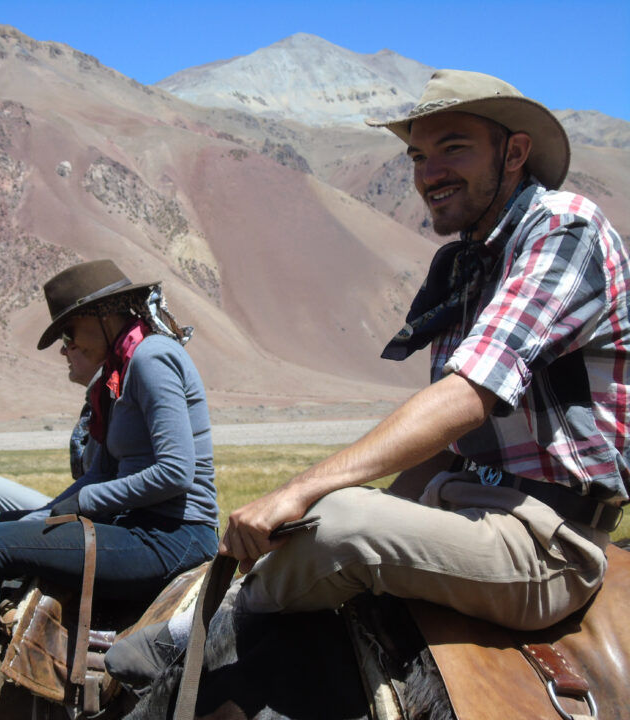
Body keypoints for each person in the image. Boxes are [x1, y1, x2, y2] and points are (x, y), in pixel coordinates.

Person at [107, 69, 628, 685]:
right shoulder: (470, 264)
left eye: (453, 147)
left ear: (514, 153)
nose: (429, 173)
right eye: (417, 156)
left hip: (544, 540)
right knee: (327, 515)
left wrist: (301, 490)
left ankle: (192, 636)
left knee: (345, 524)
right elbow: (448, 449)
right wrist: (318, 506)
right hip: (461, 506)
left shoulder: (565, 228)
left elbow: (469, 395)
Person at [0, 259, 219, 720]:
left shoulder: (152, 359)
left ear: (107, 315)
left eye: (72, 331)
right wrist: (46, 512)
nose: (68, 346)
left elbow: (176, 472)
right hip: (138, 528)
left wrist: (82, 504)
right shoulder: (115, 374)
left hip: (175, 535)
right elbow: (99, 473)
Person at [0, 332, 104, 523]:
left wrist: (40, 518)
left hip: (97, 519)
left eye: (68, 342)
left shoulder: (114, 397)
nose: (63, 351)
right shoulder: (97, 398)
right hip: (78, 508)